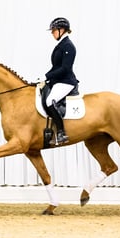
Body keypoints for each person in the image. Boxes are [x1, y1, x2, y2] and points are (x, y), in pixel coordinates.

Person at [45, 17, 79, 145]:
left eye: (53, 30)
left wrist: (47, 76)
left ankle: (61, 132)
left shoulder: (68, 46)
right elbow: (56, 67)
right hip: (58, 80)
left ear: (62, 30)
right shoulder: (60, 45)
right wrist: (45, 78)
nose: (52, 33)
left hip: (66, 81)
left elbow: (65, 68)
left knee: (49, 101)